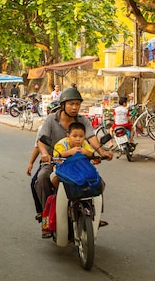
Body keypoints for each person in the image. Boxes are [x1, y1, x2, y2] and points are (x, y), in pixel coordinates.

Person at [33, 87, 112, 221]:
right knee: (42, 178)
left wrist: (101, 151)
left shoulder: (82, 120)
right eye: (71, 104)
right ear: (63, 105)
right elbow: (41, 140)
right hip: (56, 161)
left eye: (77, 104)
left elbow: (91, 137)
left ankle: (96, 216)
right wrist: (45, 154)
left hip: (79, 161)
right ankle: (47, 216)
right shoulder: (51, 119)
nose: (74, 107)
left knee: (97, 181)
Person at [50, 122, 97, 192]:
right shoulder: (61, 144)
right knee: (55, 178)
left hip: (82, 170)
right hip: (64, 171)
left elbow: (91, 154)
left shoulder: (84, 143)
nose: (78, 139)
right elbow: (57, 156)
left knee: (97, 179)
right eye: (74, 136)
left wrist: (85, 152)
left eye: (81, 136)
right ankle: (59, 193)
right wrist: (69, 152)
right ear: (68, 136)